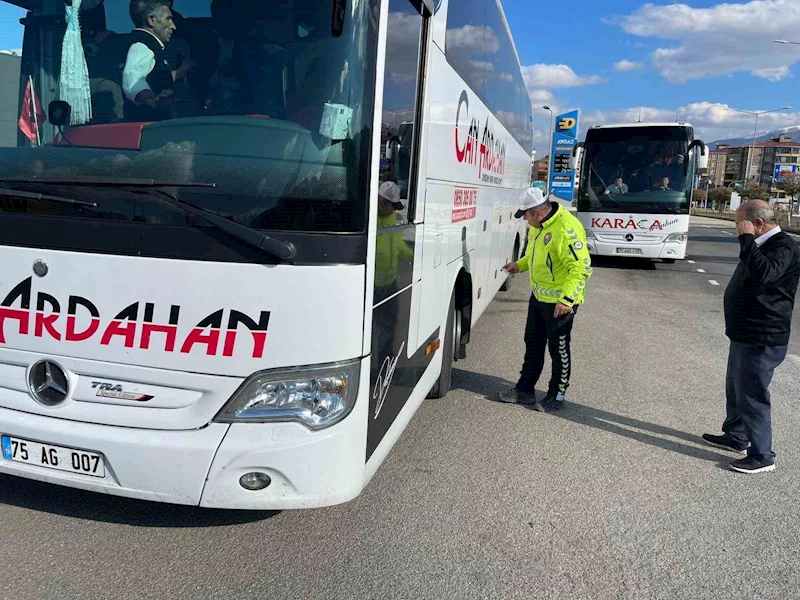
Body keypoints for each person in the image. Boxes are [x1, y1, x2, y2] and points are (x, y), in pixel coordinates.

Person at [703, 200, 800, 473]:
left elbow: (764, 274)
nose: (737, 229)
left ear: (757, 224)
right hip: (745, 332)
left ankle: (762, 456)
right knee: (736, 387)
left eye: (739, 224)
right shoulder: (760, 244)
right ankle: (736, 436)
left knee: (752, 394)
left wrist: (746, 239)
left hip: (763, 334)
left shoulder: (784, 246)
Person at [498, 189, 592, 411]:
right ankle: (524, 390)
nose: (524, 220)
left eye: (526, 215)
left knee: (558, 350)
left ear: (538, 213)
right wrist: (519, 265)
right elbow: (533, 255)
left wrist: (567, 300)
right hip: (539, 297)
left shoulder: (566, 229)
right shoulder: (538, 227)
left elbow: (581, 268)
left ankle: (556, 395)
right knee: (532, 344)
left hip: (561, 303)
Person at [122, 0, 196, 121]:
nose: (173, 26)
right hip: (147, 128)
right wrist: (150, 98)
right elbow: (132, 76)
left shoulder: (154, 47)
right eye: (168, 19)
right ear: (151, 20)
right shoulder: (141, 45)